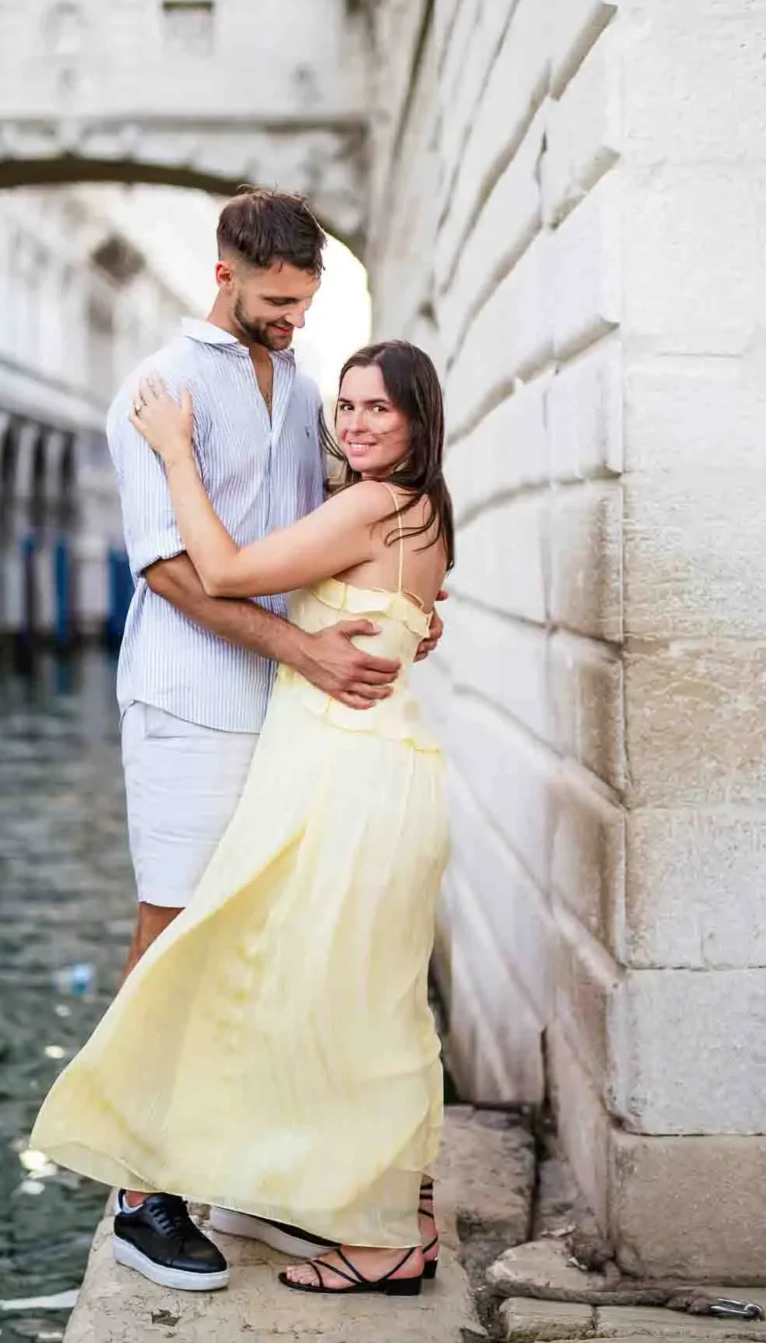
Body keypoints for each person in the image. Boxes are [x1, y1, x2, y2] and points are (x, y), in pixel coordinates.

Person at [32, 339, 454, 1299]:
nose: (352, 423)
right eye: (344, 407)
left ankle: (350, 1230)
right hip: (381, 769)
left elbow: (218, 570)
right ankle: (394, 1216)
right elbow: (412, 608)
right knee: (358, 995)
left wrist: (177, 450)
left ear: (418, 418)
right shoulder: (423, 508)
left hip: (345, 778)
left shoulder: (371, 503)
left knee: (311, 988)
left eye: (377, 409)